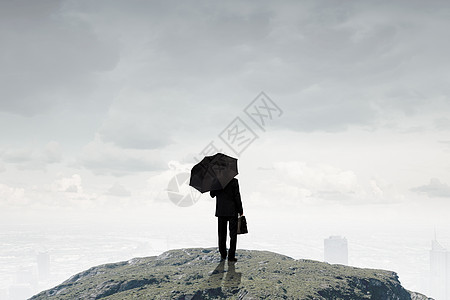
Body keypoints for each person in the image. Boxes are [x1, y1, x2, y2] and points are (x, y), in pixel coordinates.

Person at [210, 177, 243, 262]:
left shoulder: (216, 181)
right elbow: (237, 196)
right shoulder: (234, 181)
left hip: (221, 211)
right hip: (232, 211)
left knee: (221, 234)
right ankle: (231, 256)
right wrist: (240, 210)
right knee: (233, 235)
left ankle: (223, 254)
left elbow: (212, 194)